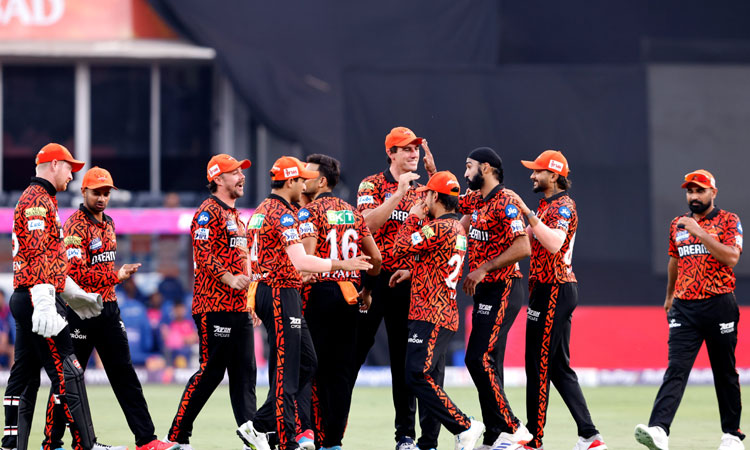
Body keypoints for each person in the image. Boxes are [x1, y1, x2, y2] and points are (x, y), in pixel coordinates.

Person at [237, 156, 372, 450]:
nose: (303, 185)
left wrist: (253, 295)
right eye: (300, 180)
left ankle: (260, 426)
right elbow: (302, 261)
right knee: (290, 368)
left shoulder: (260, 211)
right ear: (290, 182)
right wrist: (343, 263)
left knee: (306, 363)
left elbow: (250, 257)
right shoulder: (285, 215)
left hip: (270, 291)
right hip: (280, 292)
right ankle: (283, 439)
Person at [43, 166, 178, 450]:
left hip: (108, 309)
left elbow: (100, 268)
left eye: (106, 193)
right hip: (80, 311)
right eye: (97, 192)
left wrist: (113, 279)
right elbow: (76, 273)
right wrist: (116, 276)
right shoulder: (74, 226)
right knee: (69, 378)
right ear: (84, 192)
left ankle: (147, 440)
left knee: (124, 374)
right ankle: (52, 443)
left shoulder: (110, 224)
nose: (102, 198)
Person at [8, 143, 118, 450]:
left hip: (29, 294)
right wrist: (45, 301)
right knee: (69, 370)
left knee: (24, 376)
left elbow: (50, 260)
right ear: (55, 164)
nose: (72, 176)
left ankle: (11, 444)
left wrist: (77, 295)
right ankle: (85, 444)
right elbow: (39, 255)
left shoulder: (42, 198)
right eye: (70, 168)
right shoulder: (37, 201)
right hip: (37, 296)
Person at [634, 170, 744, 450]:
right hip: (684, 307)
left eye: (700, 190)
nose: (694, 196)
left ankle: (732, 435)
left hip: (719, 304)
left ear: (713, 193)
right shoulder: (677, 224)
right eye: (690, 191)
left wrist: (700, 232)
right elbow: (674, 261)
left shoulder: (729, 220)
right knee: (676, 369)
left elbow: (732, 257)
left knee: (725, 371)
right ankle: (659, 430)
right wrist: (670, 296)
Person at [505, 150, 607, 450]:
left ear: (554, 175)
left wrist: (525, 211)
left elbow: (554, 243)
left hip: (554, 289)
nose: (532, 175)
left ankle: (534, 440)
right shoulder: (547, 206)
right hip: (547, 289)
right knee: (558, 368)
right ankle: (590, 436)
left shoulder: (563, 206)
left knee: (537, 364)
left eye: (537, 171)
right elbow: (524, 241)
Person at [166, 154, 260, 450]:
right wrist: (229, 278)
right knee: (210, 372)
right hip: (213, 306)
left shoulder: (236, 215)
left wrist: (251, 298)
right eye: (235, 173)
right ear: (217, 179)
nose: (242, 177)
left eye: (241, 172)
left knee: (245, 374)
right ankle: (177, 437)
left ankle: (251, 437)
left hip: (239, 307)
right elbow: (203, 253)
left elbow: (245, 261)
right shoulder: (208, 211)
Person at [355, 126, 438, 450]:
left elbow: (438, 233)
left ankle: (405, 436)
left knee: (404, 361)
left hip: (406, 282)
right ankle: (329, 433)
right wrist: (399, 194)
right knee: (352, 355)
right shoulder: (371, 184)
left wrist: (432, 176)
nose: (413, 153)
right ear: (390, 153)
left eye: (415, 148)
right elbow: (366, 225)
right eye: (406, 148)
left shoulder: (424, 191)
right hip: (372, 279)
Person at [390, 171, 487, 450]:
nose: (423, 201)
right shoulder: (456, 228)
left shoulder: (439, 227)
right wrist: (413, 271)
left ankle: (465, 425)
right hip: (441, 312)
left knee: (415, 375)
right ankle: (429, 442)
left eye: (427, 196)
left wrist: (413, 217)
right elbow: (437, 262)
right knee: (428, 378)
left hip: (430, 314)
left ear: (435, 196)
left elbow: (399, 247)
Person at [297, 154, 382, 449]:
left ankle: (308, 433)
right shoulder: (353, 212)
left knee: (310, 368)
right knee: (341, 373)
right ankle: (333, 441)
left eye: (307, 175)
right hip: (350, 296)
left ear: (321, 181)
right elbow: (376, 259)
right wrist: (367, 291)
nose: (301, 179)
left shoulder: (309, 212)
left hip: (318, 295)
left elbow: (306, 260)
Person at [458, 147, 532, 449]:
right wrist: (432, 173)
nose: (466, 173)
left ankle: (513, 427)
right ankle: (494, 435)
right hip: (485, 290)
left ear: (486, 168)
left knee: (476, 358)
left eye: (469, 166)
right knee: (490, 363)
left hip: (504, 288)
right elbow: (448, 202)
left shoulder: (506, 201)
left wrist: (483, 268)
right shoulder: (476, 199)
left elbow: (523, 246)